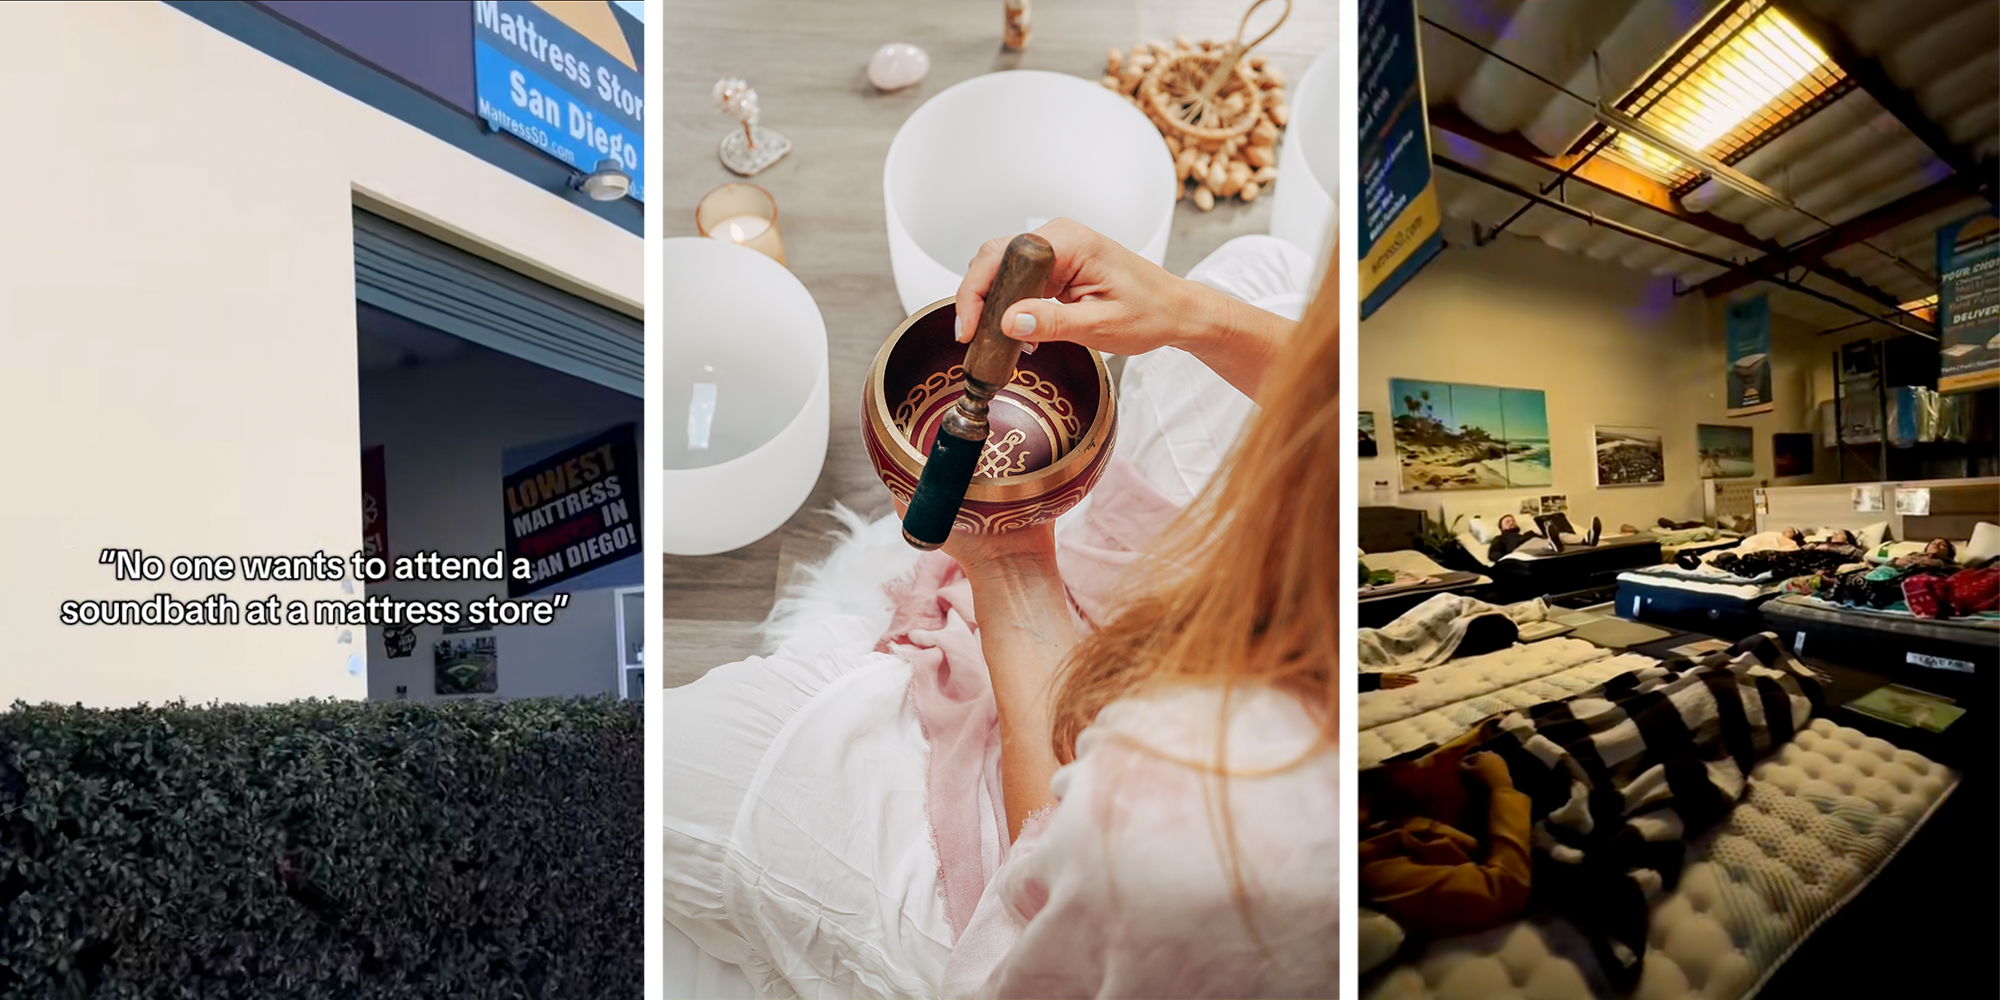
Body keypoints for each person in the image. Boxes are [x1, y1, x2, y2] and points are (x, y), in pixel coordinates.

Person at [662, 219, 1338, 1000]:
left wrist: (1011, 565)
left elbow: (1040, 859)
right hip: (1224, 630)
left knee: (674, 766)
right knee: (1261, 273)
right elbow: (1322, 394)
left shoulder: (1204, 830)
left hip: (1051, 876)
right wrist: (1188, 314)